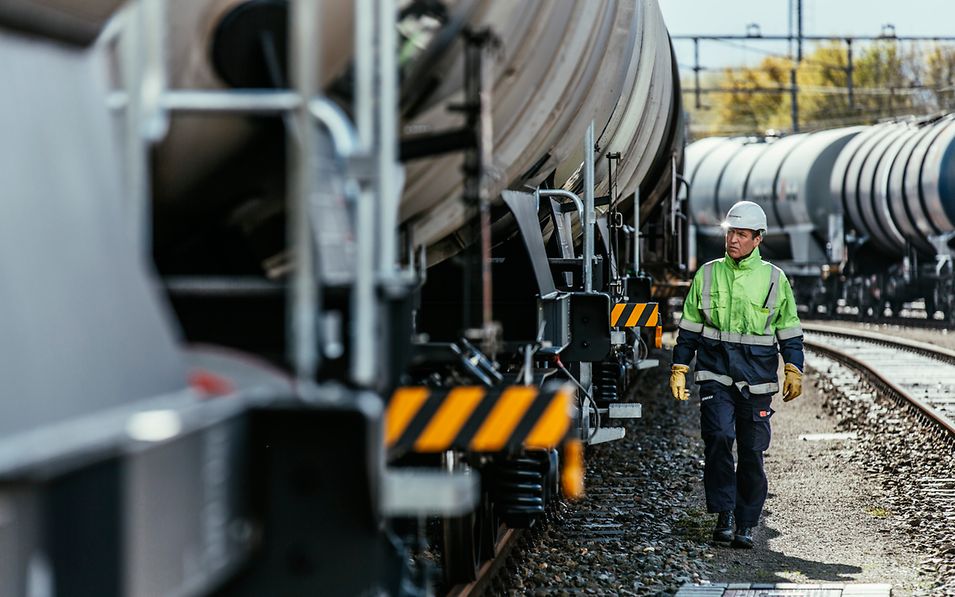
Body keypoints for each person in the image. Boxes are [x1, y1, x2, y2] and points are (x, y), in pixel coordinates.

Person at [669, 200, 804, 548]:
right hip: (716, 374)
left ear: (757, 239)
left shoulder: (775, 279)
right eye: (731, 233)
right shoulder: (708, 274)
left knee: (751, 452)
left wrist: (793, 368)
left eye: (742, 235)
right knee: (717, 437)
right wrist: (680, 366)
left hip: (756, 380)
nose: (734, 241)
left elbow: (788, 329)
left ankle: (746, 522)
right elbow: (689, 327)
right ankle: (725, 514)